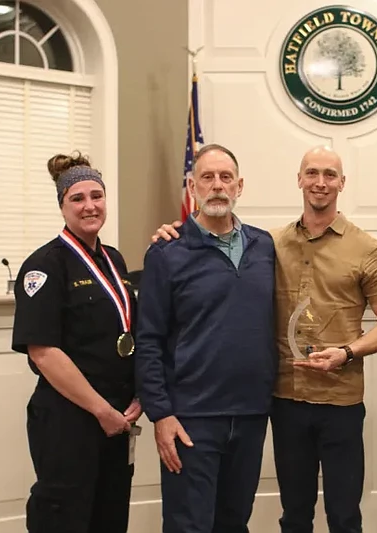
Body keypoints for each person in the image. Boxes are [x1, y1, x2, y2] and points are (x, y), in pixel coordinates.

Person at [152, 145, 377, 533]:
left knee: (341, 515)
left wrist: (349, 351)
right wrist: (174, 231)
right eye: (312, 173)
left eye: (330, 174)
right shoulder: (267, 243)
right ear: (299, 180)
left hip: (330, 402)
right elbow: (153, 334)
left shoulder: (356, 248)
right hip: (272, 403)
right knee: (289, 516)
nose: (320, 182)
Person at [135, 143, 277, 533]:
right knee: (189, 526)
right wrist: (160, 413)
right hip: (191, 418)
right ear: (192, 186)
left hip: (250, 413)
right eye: (207, 178)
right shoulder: (166, 253)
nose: (217, 186)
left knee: (234, 523)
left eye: (226, 178)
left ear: (240, 186)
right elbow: (148, 339)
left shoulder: (264, 246)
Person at [11, 152, 142, 533]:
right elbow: (44, 352)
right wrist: (102, 410)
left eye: (97, 196)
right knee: (65, 519)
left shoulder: (114, 260)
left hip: (117, 422)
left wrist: (135, 398)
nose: (90, 206)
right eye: (78, 198)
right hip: (70, 421)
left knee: (109, 518)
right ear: (63, 206)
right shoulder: (45, 265)